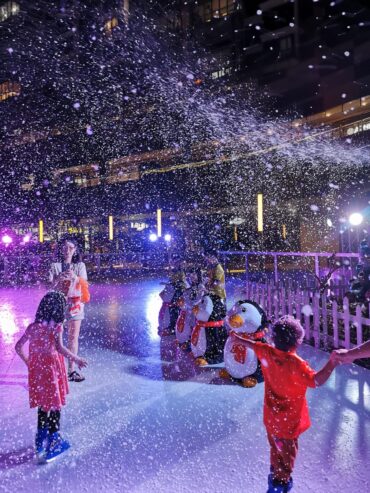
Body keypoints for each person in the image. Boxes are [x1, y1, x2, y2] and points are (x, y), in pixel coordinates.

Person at [230, 315, 339, 493]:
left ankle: (275, 475)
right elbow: (316, 381)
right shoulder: (297, 364)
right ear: (297, 342)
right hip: (289, 423)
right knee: (288, 454)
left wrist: (237, 338)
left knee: (275, 447)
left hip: (272, 418)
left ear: (273, 339)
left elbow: (252, 344)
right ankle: (279, 484)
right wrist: (332, 363)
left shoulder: (266, 352)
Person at [15, 291, 87, 462]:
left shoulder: (32, 327)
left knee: (43, 404)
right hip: (52, 371)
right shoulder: (56, 328)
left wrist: (29, 363)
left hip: (38, 373)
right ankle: (54, 440)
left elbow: (18, 347)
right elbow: (60, 348)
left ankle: (40, 440)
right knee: (54, 404)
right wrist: (76, 359)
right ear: (58, 311)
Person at [49, 237, 88, 382]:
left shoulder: (80, 266)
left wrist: (75, 278)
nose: (67, 251)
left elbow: (84, 284)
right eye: (65, 248)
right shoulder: (55, 265)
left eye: (71, 248)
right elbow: (49, 287)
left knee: (73, 338)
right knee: (55, 339)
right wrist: (58, 279)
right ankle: (55, 368)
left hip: (75, 306)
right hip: (57, 306)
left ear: (75, 250)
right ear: (60, 249)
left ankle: (71, 370)